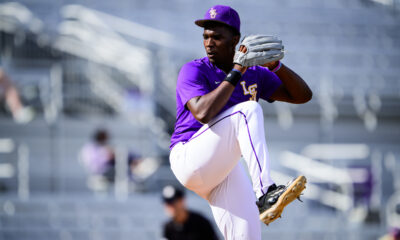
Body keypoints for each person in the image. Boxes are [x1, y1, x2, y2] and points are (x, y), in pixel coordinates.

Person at [169, 5, 313, 240]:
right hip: (189, 156)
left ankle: (265, 197)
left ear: (235, 40)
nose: (209, 42)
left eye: (217, 36)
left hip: (222, 170)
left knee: (248, 236)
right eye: (205, 36)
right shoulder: (193, 70)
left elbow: (302, 96)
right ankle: (266, 191)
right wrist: (237, 70)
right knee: (248, 110)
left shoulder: (254, 73)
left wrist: (276, 66)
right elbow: (203, 113)